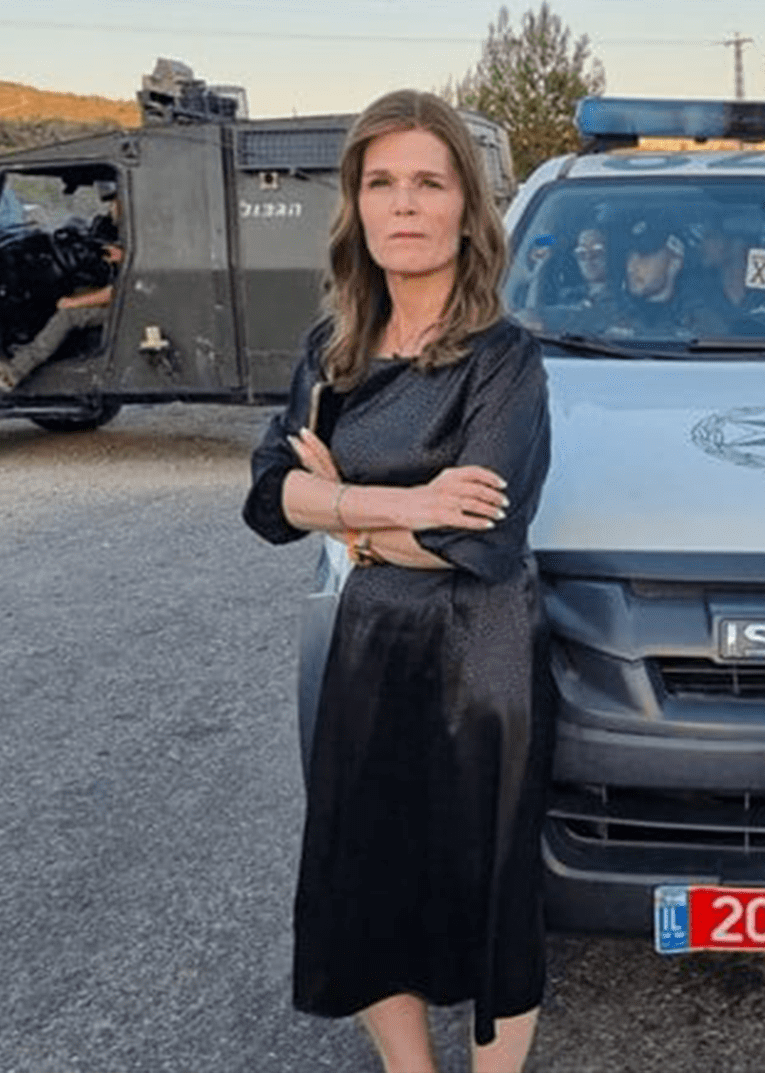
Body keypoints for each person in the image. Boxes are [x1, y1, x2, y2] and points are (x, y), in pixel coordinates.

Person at [241, 88, 553, 1073]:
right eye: (382, 182)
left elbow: (484, 539)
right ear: (356, 204)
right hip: (369, 647)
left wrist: (342, 508)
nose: (404, 204)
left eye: (429, 181)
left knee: (489, 891)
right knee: (367, 883)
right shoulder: (327, 356)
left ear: (468, 206)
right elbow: (264, 494)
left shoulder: (506, 361)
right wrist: (407, 507)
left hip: (483, 661)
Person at [0, 185, 124, 391]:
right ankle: (66, 357)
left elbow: (116, 292)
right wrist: (120, 258)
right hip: (132, 299)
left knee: (70, 313)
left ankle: (15, 371)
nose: (112, 209)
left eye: (116, 204)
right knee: (77, 290)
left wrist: (72, 303)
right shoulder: (138, 236)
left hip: (130, 305)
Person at [573, 217, 720, 338]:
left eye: (644, 256)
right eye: (629, 257)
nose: (631, 267)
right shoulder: (605, 309)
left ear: (674, 261)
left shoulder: (700, 318)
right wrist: (548, 243)